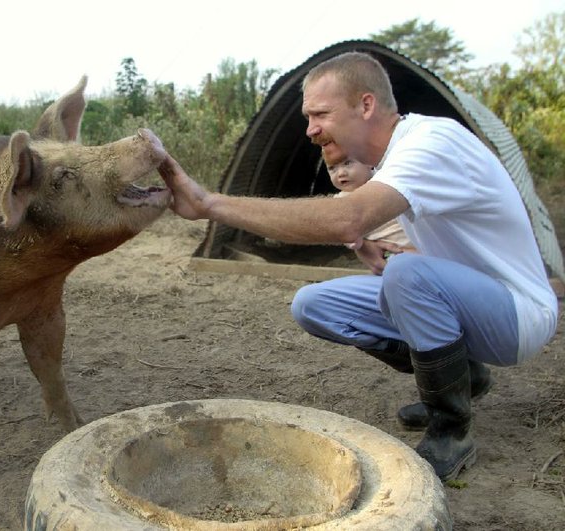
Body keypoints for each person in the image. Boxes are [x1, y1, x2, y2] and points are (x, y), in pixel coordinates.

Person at [157, 51, 558, 481]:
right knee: (313, 304)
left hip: (519, 315)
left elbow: (346, 217)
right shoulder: (394, 159)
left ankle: (451, 431)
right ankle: (463, 377)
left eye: (320, 114)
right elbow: (372, 225)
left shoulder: (433, 142)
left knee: (406, 274)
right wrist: (379, 251)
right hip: (474, 302)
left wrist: (209, 204)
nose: (310, 130)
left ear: (365, 105)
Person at [324, 153, 416, 269]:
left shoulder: (388, 181)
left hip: (421, 244)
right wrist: (356, 243)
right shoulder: (340, 202)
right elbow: (343, 231)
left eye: (348, 163)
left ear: (368, 162)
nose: (341, 173)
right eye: (332, 168)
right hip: (394, 251)